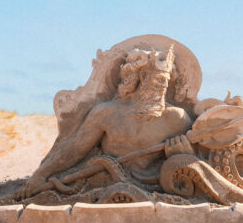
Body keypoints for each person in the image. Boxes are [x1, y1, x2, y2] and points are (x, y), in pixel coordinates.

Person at [18, 46, 193, 199]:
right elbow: (75, 149)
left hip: (158, 190)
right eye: (160, 79)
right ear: (144, 76)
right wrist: (41, 174)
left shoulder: (175, 118)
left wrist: (185, 156)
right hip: (107, 191)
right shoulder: (107, 113)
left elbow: (200, 161)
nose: (164, 86)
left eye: (167, 80)